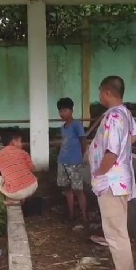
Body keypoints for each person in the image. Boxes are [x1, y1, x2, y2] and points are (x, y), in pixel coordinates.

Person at [89, 75, 136, 270]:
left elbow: (111, 152)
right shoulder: (124, 113)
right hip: (120, 180)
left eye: (100, 91)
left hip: (111, 181)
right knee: (117, 228)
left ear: (107, 92)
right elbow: (135, 135)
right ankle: (120, 268)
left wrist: (99, 172)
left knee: (115, 231)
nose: (99, 95)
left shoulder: (113, 117)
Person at [56, 97, 88, 226]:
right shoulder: (63, 127)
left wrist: (82, 156)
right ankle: (71, 215)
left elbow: (83, 141)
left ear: (71, 110)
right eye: (60, 111)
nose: (62, 113)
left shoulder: (77, 125)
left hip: (75, 162)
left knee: (79, 190)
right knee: (67, 189)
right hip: (62, 161)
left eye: (65, 110)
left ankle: (85, 217)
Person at [0, 130, 38, 206]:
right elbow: (33, 169)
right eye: (20, 141)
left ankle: (8, 199)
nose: (22, 144)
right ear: (13, 142)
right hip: (33, 186)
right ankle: (22, 197)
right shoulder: (23, 153)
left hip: (15, 193)